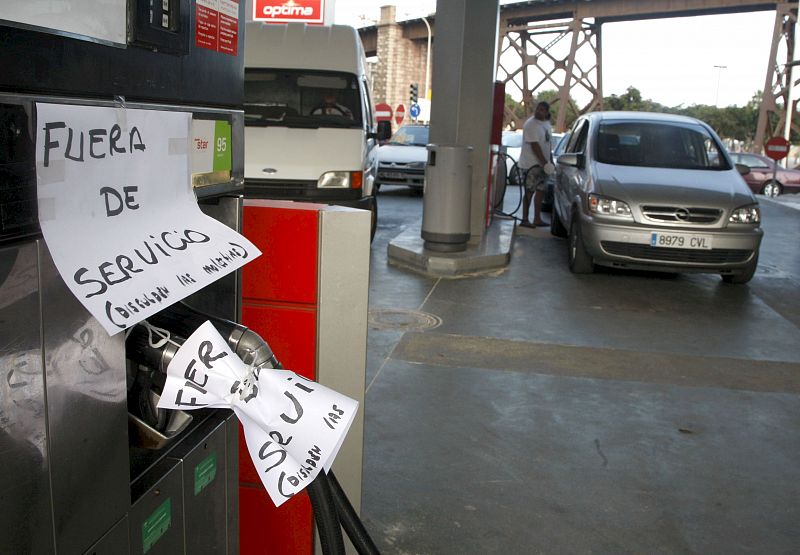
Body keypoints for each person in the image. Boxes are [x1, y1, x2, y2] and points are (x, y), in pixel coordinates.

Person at [517, 101, 553, 228]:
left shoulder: (546, 124)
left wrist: (550, 161)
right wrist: (545, 163)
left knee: (541, 191)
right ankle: (525, 219)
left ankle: (537, 219)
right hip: (531, 165)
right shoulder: (530, 124)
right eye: (538, 109)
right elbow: (535, 146)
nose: (539, 111)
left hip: (543, 165)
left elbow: (548, 144)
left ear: (547, 112)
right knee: (529, 191)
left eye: (542, 110)